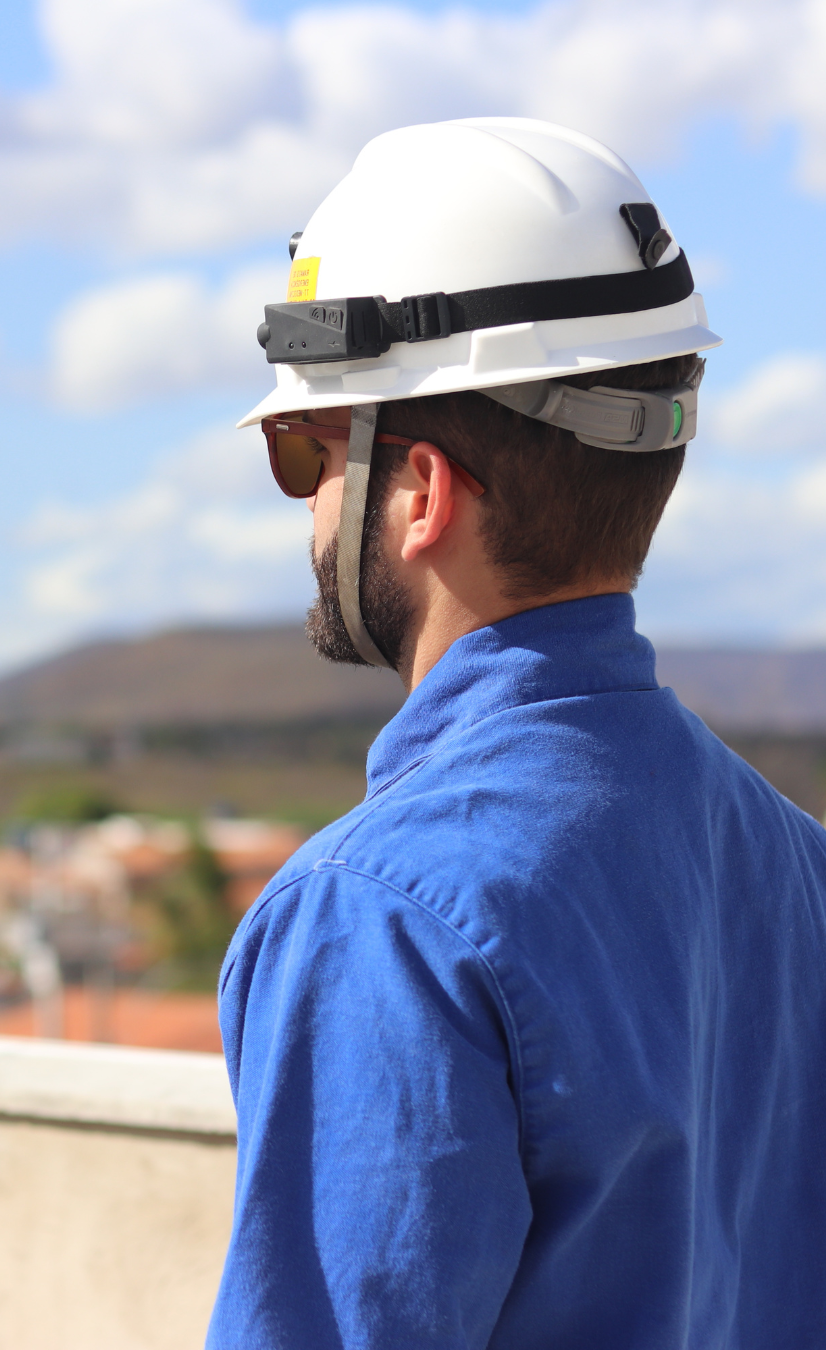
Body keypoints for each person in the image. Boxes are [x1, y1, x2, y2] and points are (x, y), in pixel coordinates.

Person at [206, 119, 826, 1349]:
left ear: (422, 493)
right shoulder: (797, 864)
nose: (309, 504)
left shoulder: (379, 918)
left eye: (308, 452)